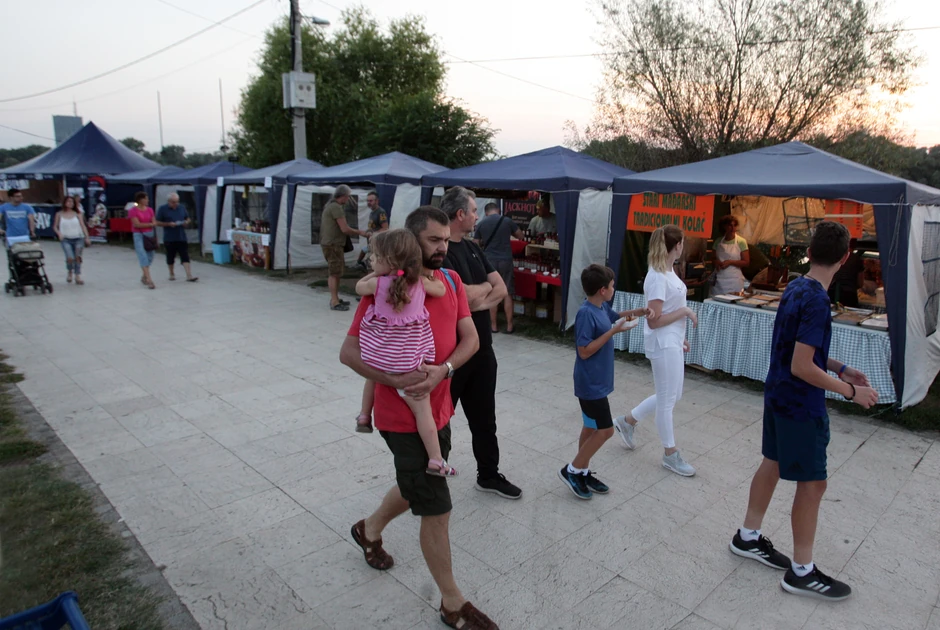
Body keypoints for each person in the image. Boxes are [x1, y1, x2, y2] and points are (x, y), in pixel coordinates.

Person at [340, 206, 500, 630]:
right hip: (401, 415)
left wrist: (442, 372)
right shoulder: (386, 289)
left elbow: (470, 340)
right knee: (436, 504)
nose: (444, 248)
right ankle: (452, 603)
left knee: (416, 487)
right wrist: (391, 376)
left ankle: (368, 529)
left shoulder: (449, 283)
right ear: (411, 243)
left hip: (438, 409)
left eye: (447, 239)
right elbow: (349, 353)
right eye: (434, 240)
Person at [729, 220, 878, 602]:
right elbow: (802, 365)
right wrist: (850, 392)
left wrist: (842, 368)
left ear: (809, 252)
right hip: (798, 403)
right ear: (846, 258)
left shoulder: (797, 285)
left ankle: (747, 537)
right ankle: (802, 572)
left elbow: (803, 351)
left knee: (772, 462)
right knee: (813, 484)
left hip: (778, 394)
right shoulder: (816, 300)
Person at [440, 186, 522, 500]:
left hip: (482, 349)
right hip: (453, 352)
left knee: (485, 418)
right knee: (440, 419)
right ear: (460, 214)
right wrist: (476, 294)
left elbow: (498, 286)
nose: (477, 216)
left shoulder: (474, 248)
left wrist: (473, 297)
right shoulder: (441, 251)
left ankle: (488, 474)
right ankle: (433, 473)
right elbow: (457, 297)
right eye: (474, 211)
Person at [354, 229, 455, 476]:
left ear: (388, 260)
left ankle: (364, 416)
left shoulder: (376, 285)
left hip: (380, 358)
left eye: (375, 256)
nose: (371, 260)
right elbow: (441, 290)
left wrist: (379, 273)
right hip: (411, 364)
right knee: (424, 413)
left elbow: (358, 287)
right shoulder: (420, 284)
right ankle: (436, 460)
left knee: (373, 376)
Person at [613, 225, 698, 477]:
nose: (683, 245)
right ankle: (670, 453)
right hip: (662, 343)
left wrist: (679, 337)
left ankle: (628, 421)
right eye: (682, 242)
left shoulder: (667, 271)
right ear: (677, 245)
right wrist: (684, 313)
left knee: (672, 395)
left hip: (670, 342)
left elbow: (665, 313)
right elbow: (654, 320)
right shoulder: (658, 276)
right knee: (667, 399)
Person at [560, 264, 649, 499]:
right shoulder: (586, 313)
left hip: (598, 381)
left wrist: (640, 311)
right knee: (606, 430)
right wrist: (613, 332)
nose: (613, 289)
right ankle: (572, 470)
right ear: (602, 290)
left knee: (590, 427)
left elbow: (616, 317)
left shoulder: (602, 307)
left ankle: (583, 470)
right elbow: (584, 351)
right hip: (590, 384)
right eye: (611, 286)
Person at [474, 202, 524, 334]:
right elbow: (521, 236)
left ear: (486, 212)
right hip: (505, 260)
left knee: (493, 292)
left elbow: (475, 244)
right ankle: (509, 326)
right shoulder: (507, 221)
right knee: (507, 292)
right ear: (499, 210)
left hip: (489, 261)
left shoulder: (481, 224)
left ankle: (494, 326)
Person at [320, 185, 368, 311]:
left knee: (336, 272)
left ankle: (335, 298)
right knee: (334, 272)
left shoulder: (331, 206)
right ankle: (334, 301)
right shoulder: (336, 208)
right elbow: (345, 229)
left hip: (330, 243)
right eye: (348, 196)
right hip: (333, 244)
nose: (348, 199)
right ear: (343, 196)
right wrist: (361, 232)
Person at [156, 193, 198, 282]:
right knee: (170, 256)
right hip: (169, 237)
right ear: (169, 202)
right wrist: (168, 224)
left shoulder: (181, 208)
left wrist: (186, 222)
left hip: (181, 236)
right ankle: (171, 273)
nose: (175, 204)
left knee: (185, 255)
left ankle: (189, 275)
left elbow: (188, 218)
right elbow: (157, 222)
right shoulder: (162, 209)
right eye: (173, 202)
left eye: (177, 202)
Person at [53, 196, 91, 285]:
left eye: (72, 202)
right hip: (66, 239)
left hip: (78, 237)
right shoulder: (59, 214)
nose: (70, 203)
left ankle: (77, 275)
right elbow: (55, 226)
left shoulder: (78, 214)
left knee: (77, 257)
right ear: (65, 203)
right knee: (70, 257)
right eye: (68, 202)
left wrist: (87, 237)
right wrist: (59, 233)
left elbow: (83, 226)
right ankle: (70, 271)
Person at [712, 214, 750, 295]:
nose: (733, 228)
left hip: (734, 280)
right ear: (724, 226)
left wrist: (730, 262)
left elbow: (746, 262)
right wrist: (717, 262)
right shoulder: (718, 241)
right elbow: (713, 259)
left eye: (734, 225)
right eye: (730, 225)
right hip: (719, 279)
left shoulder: (741, 241)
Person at [128, 192, 157, 289]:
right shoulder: (133, 211)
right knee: (142, 256)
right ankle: (149, 280)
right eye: (146, 199)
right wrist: (149, 224)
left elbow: (154, 221)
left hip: (149, 234)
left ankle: (144, 275)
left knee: (150, 256)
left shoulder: (150, 210)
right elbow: (136, 224)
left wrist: (150, 224)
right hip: (139, 235)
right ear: (140, 200)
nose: (147, 201)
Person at [357, 191, 389, 271]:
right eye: (367, 201)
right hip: (371, 242)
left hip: (377, 244)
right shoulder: (372, 213)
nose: (368, 203)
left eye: (371, 201)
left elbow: (385, 228)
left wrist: (372, 234)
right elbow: (373, 227)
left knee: (372, 267)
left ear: (377, 201)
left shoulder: (380, 212)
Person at [827, 239, 863, 307]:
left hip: (832, 292)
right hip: (849, 295)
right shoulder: (857, 259)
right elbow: (860, 283)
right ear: (855, 246)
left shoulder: (834, 256)